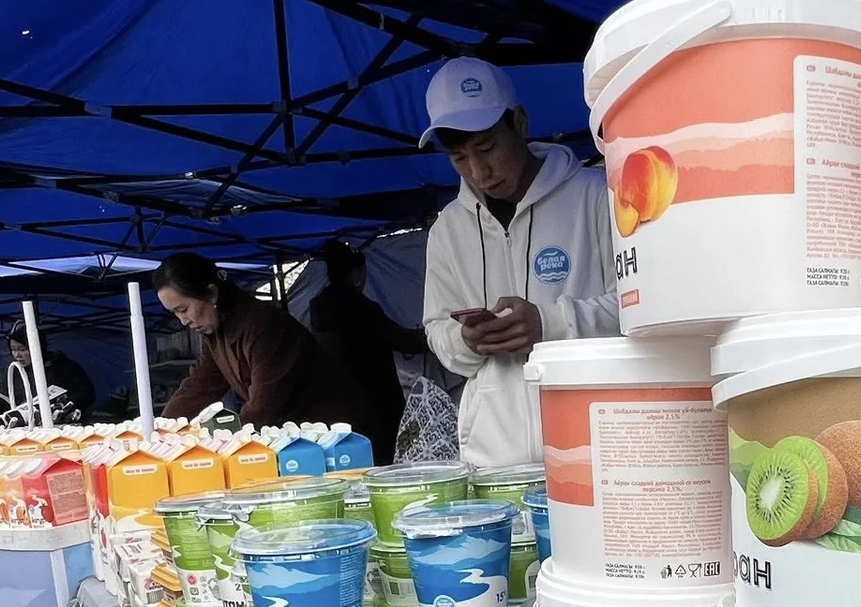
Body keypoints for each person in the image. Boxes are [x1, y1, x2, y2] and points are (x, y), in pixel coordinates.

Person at [419, 58, 618, 466]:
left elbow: (638, 308)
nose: (479, 171)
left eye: (487, 148)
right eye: (459, 158)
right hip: (493, 459)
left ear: (521, 123)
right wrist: (467, 341)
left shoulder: (596, 197)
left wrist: (550, 324)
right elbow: (437, 330)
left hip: (596, 447)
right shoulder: (448, 230)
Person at [156, 253, 373, 428]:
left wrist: (230, 440)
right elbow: (198, 387)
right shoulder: (216, 334)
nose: (183, 321)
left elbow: (263, 408)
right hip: (299, 435)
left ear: (212, 294)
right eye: (175, 313)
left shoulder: (263, 325)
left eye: (183, 309)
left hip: (335, 432)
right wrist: (161, 428)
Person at [308, 239, 427, 465]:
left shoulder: (318, 308)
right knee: (384, 466)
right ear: (356, 273)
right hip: (376, 406)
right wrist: (434, 335)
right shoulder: (362, 308)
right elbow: (402, 340)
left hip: (336, 406)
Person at [8, 323, 96, 419]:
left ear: (38, 347)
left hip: (65, 424)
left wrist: (65, 403)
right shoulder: (13, 372)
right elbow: (5, 400)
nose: (17, 355)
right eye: (13, 349)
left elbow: (87, 394)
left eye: (22, 349)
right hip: (24, 425)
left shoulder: (64, 366)